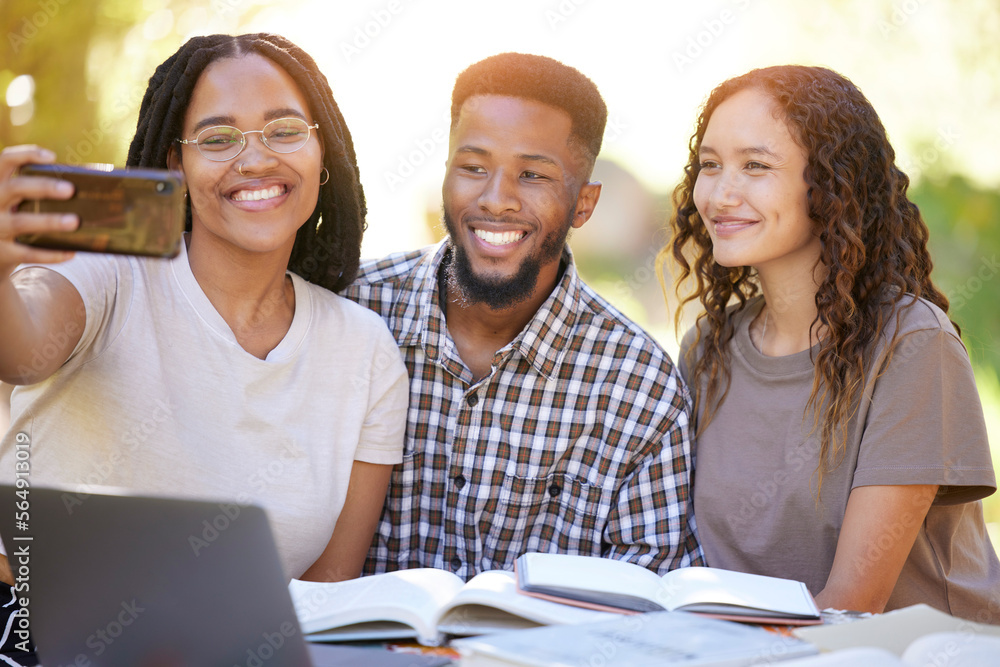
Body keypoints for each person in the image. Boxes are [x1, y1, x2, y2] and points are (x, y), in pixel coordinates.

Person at [0, 33, 408, 586]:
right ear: (178, 165)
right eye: (218, 138)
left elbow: (329, 591)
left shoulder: (365, 350)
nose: (256, 158)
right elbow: (22, 353)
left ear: (322, 154)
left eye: (285, 131)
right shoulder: (108, 271)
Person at [342, 53, 702, 581]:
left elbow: (649, 601)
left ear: (584, 203)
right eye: (473, 168)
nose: (497, 200)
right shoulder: (352, 310)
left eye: (532, 175)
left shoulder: (640, 387)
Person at [665, 64, 1000, 621]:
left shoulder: (914, 346)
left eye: (756, 166)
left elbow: (851, 607)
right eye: (710, 165)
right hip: (745, 650)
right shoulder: (708, 347)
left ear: (831, 183)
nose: (721, 193)